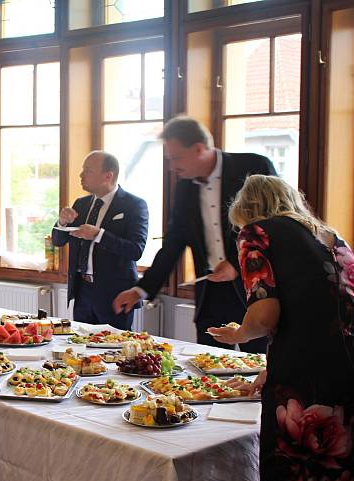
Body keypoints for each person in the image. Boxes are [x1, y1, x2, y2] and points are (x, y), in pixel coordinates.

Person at [207, 174, 354, 481]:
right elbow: (323, 315)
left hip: (307, 389)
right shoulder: (334, 239)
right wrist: (273, 366)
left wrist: (239, 332)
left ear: (250, 211)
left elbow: (266, 316)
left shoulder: (257, 233)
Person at [113, 116, 275, 352]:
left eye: (176, 158)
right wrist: (141, 289)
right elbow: (174, 243)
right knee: (209, 370)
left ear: (199, 149)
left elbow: (274, 224)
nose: (172, 167)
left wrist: (236, 264)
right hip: (210, 296)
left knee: (260, 366)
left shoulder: (254, 167)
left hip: (256, 291)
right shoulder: (184, 187)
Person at [52, 150, 148, 330]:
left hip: (115, 296)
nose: (81, 175)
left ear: (108, 175)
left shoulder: (134, 205)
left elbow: (136, 250)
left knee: (113, 353)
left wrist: (99, 235)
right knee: (82, 351)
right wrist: (61, 222)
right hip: (82, 292)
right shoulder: (81, 203)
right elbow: (57, 241)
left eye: (88, 171)